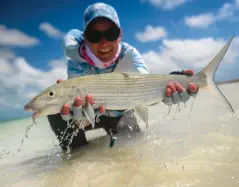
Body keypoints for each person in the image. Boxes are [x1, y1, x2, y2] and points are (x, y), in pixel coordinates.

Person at [47, 2, 198, 151]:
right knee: (56, 110)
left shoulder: (129, 54)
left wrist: (168, 87)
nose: (103, 42)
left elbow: (144, 86)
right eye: (94, 35)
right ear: (85, 38)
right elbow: (79, 104)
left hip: (122, 113)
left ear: (120, 35)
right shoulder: (76, 62)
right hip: (90, 115)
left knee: (130, 150)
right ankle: (76, 157)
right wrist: (77, 112)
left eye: (110, 34)